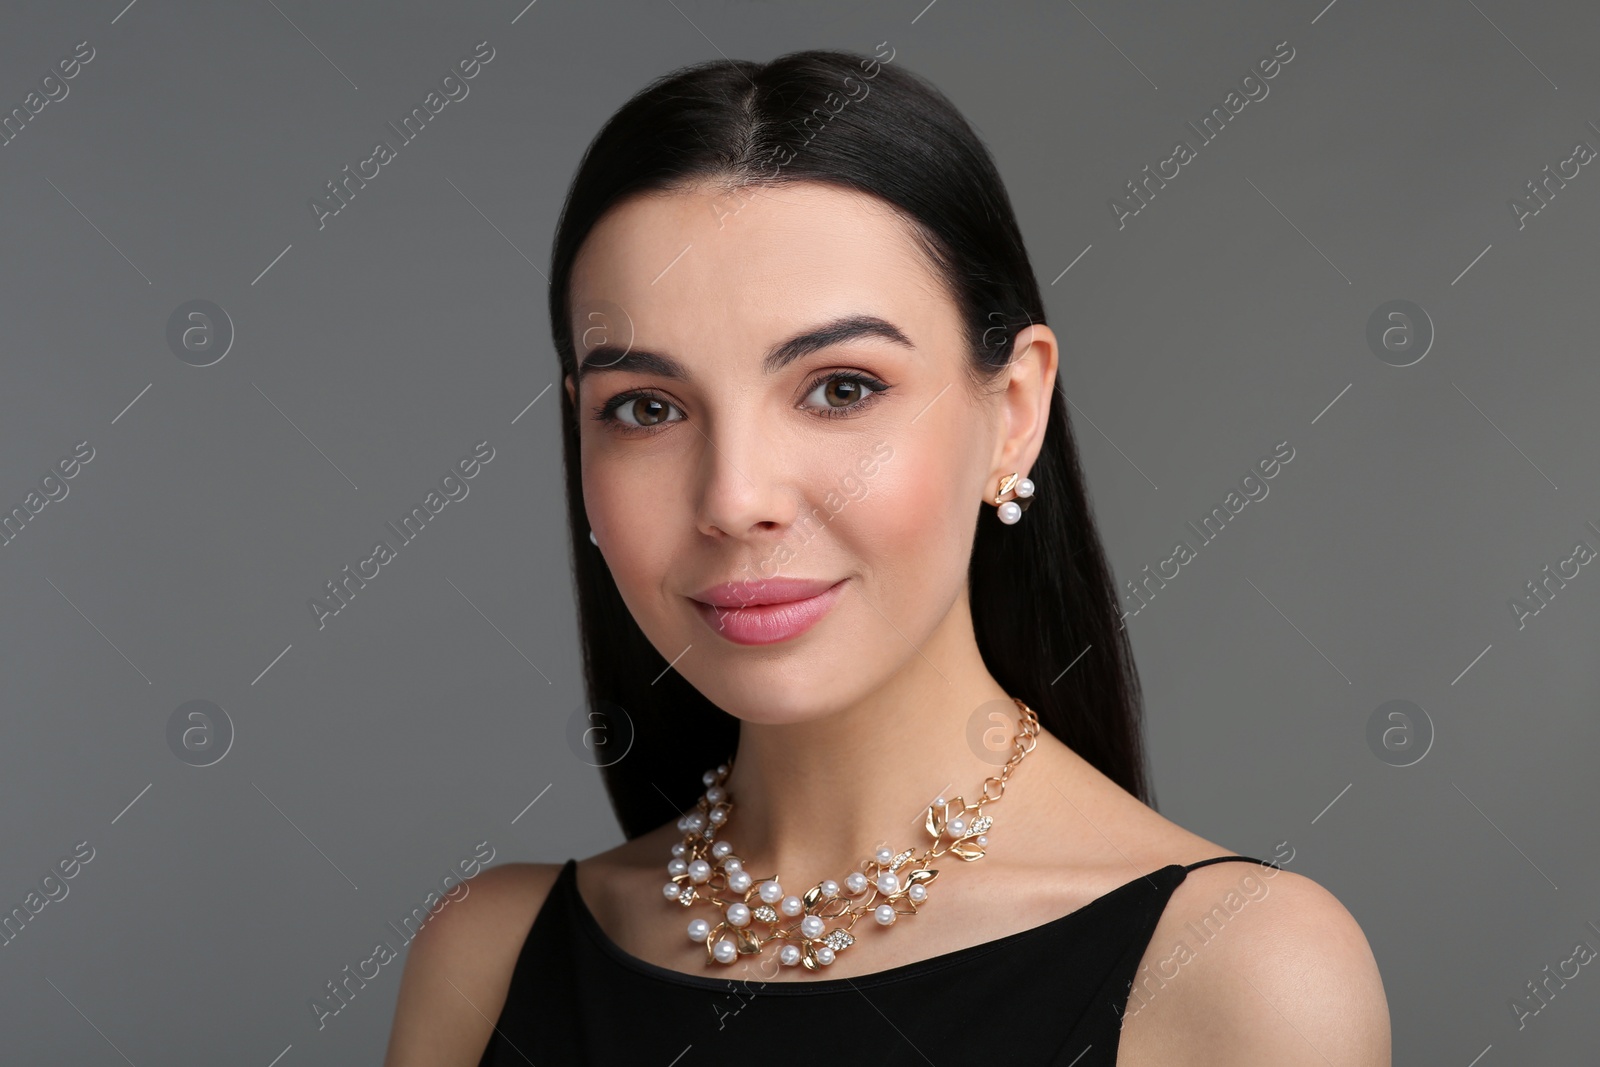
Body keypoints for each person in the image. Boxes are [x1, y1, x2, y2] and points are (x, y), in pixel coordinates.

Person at [383, 47, 1390, 1065]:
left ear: (1013, 412)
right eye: (646, 408)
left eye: (840, 389)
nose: (734, 499)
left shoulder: (1236, 969)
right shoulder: (488, 956)